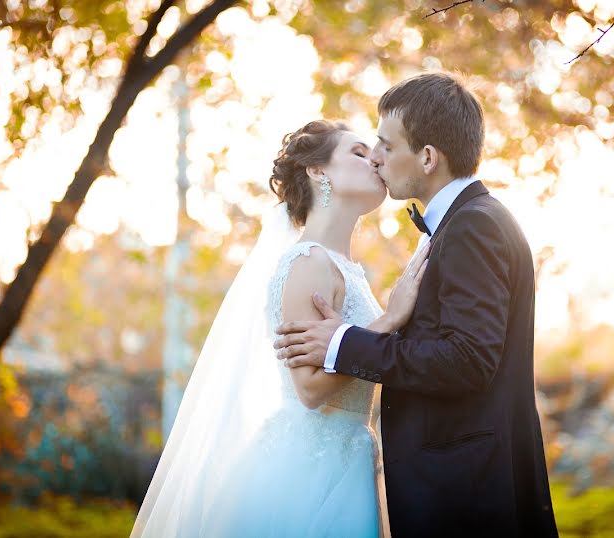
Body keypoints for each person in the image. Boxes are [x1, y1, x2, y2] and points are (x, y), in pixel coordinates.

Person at [275, 73, 560, 537]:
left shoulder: (473, 227)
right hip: (459, 485)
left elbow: (467, 359)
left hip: (465, 493)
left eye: (386, 145)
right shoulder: (469, 222)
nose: (377, 158)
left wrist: (347, 343)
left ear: (427, 157)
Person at [131, 120, 428, 537]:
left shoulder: (347, 270)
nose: (375, 159)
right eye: (358, 153)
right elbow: (308, 390)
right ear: (318, 171)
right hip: (306, 469)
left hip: (348, 458)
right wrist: (390, 320)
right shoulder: (308, 262)